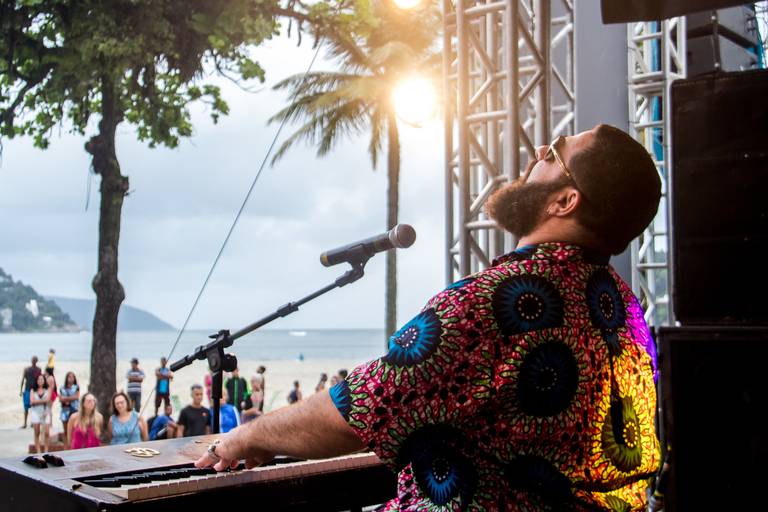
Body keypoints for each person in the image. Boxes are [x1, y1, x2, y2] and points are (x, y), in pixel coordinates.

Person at [195, 125, 663, 510]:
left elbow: (357, 410)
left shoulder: (498, 304)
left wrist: (246, 436)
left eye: (554, 152)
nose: (538, 151)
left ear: (565, 201)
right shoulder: (626, 312)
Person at [29, 374, 51, 453]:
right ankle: (38, 451)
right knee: (37, 432)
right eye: (39, 379)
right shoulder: (33, 390)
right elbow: (31, 402)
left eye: (42, 379)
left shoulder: (47, 389)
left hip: (45, 412)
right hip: (35, 412)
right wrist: (43, 401)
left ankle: (46, 450)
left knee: (47, 432)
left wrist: (36, 402)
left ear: (44, 381)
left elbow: (48, 400)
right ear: (36, 381)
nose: (40, 381)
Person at [58, 371, 80, 447]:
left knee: (74, 429)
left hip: (74, 410)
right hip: (65, 411)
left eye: (72, 377)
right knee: (65, 430)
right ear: (66, 378)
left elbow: (76, 397)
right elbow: (60, 399)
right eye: (69, 377)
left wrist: (66, 399)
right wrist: (70, 398)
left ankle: (73, 445)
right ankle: (66, 446)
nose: (71, 378)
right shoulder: (62, 388)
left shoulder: (76, 387)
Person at [19, 356, 41, 429]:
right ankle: (25, 423)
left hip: (35, 390)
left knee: (34, 407)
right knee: (26, 407)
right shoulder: (26, 369)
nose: (34, 361)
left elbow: (40, 380)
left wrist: (40, 389)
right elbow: (23, 380)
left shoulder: (39, 369)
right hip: (27, 390)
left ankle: (32, 422)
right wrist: (21, 390)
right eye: (33, 360)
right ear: (31, 360)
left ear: (36, 361)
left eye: (35, 360)